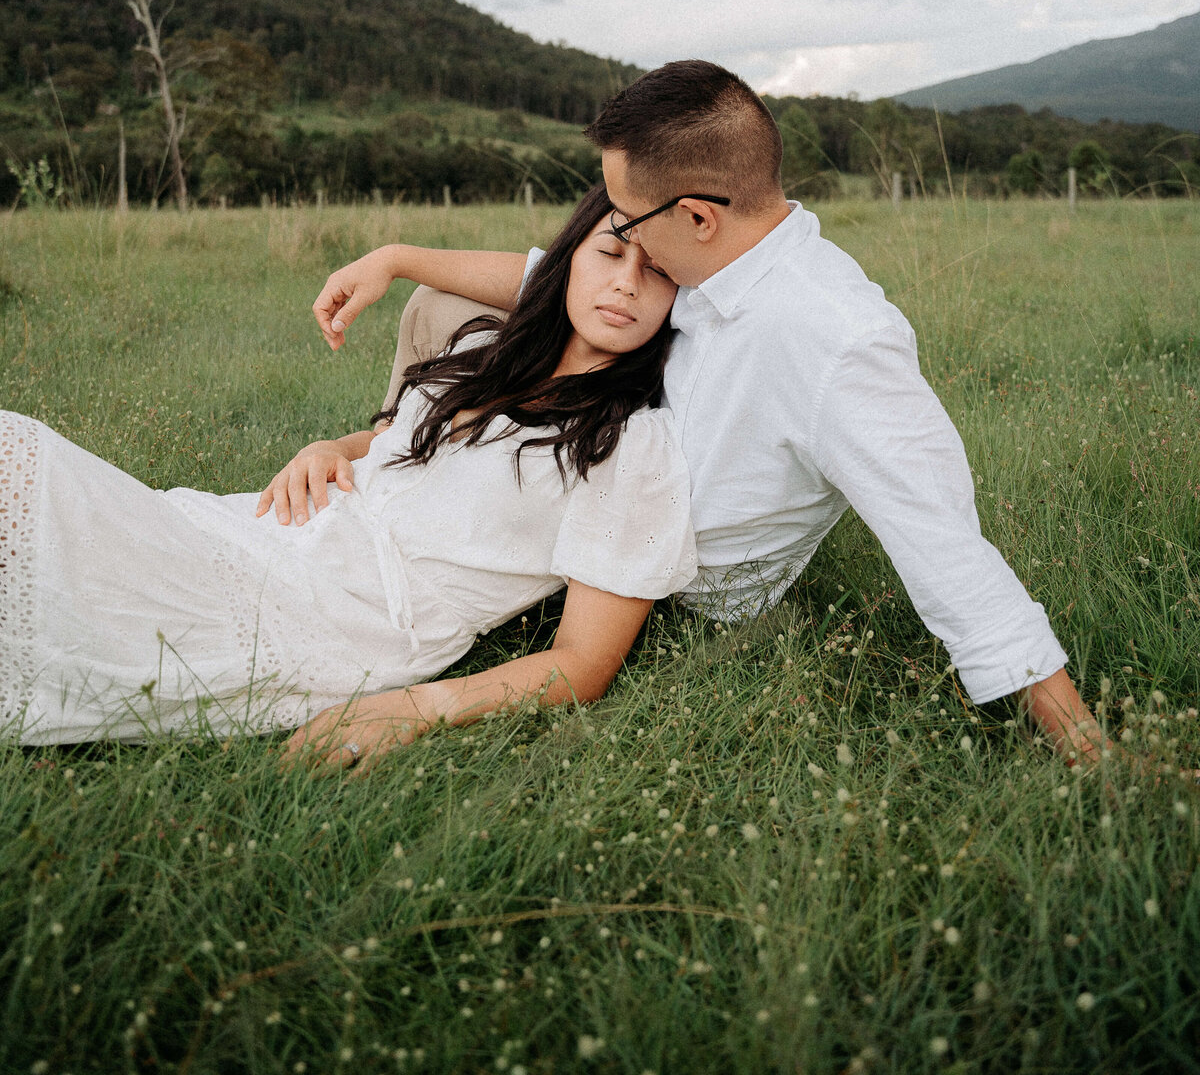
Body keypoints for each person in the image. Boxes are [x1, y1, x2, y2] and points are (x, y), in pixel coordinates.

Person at [315, 60, 1106, 768]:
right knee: (445, 302)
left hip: (643, 569)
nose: (618, 231)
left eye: (628, 217)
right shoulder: (721, 247)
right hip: (590, 460)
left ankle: (394, 486)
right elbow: (554, 277)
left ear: (696, 217)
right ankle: (386, 456)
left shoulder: (839, 342)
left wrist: (1085, 743)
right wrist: (395, 257)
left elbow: (947, 550)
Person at [0, 187, 696, 768]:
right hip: (273, 529)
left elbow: (582, 663)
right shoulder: (492, 347)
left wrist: (417, 707)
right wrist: (331, 446)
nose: (626, 283)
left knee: (41, 495)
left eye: (658, 270)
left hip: (339, 611)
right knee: (31, 470)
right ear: (566, 263)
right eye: (608, 252)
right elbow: (403, 443)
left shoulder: (631, 447)